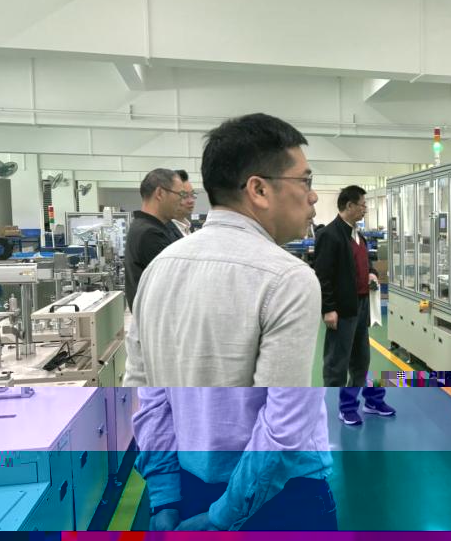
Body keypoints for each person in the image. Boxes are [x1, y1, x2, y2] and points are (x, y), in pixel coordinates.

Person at [123, 113, 320, 387]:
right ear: (259, 190)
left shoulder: (158, 268)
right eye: (305, 181)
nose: (313, 195)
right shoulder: (288, 280)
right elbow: (284, 410)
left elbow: (138, 386)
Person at [134, 387, 336, 531]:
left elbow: (287, 419)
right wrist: (164, 495)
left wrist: (222, 515)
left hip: (284, 490)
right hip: (193, 491)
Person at [314, 185, 396, 426]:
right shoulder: (330, 235)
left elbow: (366, 263)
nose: (365, 209)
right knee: (337, 363)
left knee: (362, 360)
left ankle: (370, 401)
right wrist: (328, 308)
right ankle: (341, 408)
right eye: (362, 205)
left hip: (361, 306)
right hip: (342, 310)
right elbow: (322, 275)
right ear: (349, 205)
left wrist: (371, 273)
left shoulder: (358, 235)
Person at [124, 168, 184, 309]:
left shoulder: (149, 226)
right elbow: (178, 282)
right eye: (179, 194)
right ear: (160, 193)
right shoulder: (149, 234)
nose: (182, 201)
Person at [165, 169, 197, 241]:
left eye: (192, 194)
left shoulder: (188, 227)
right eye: (184, 195)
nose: (191, 201)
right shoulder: (163, 231)